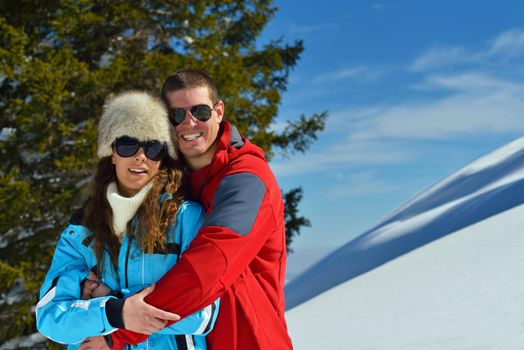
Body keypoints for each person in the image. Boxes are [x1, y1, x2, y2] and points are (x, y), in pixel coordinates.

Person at [108, 70, 293, 349]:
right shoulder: (168, 178)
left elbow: (208, 267)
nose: (189, 122)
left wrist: (118, 332)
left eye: (201, 111)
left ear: (218, 112)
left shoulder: (248, 180)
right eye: (177, 115)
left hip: (247, 339)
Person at [35, 91, 219, 349]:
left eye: (152, 147)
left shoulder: (186, 219)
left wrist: (110, 301)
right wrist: (116, 312)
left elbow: (203, 315)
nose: (140, 156)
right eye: (127, 144)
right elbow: (50, 318)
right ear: (113, 153)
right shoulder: (82, 230)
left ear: (161, 156)